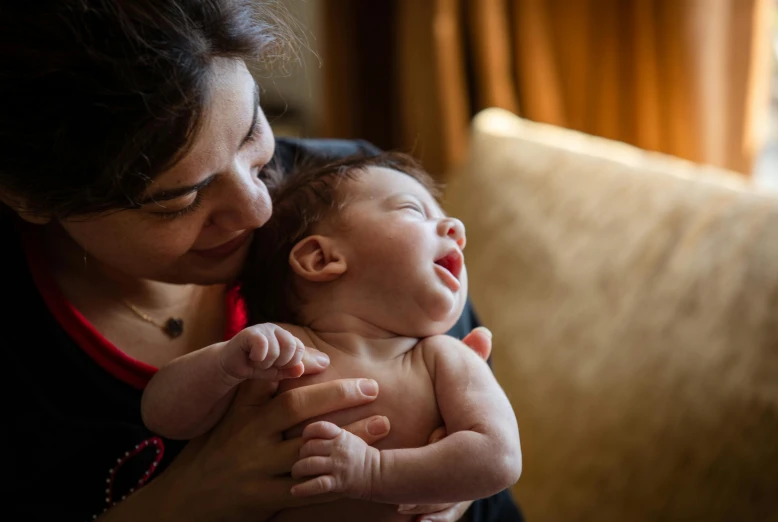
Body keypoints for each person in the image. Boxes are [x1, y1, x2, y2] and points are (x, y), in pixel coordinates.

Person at [2, 1, 524, 521]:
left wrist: (443, 484)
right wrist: (184, 501)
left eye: (252, 133)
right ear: (32, 199)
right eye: (178, 201)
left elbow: (490, 477)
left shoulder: (353, 195)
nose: (259, 209)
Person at [140, 152, 522, 521]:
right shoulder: (278, 352)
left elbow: (499, 459)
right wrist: (223, 365)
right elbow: (162, 417)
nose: (456, 227)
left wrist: (374, 471)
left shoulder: (445, 358)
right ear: (320, 259)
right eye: (414, 210)